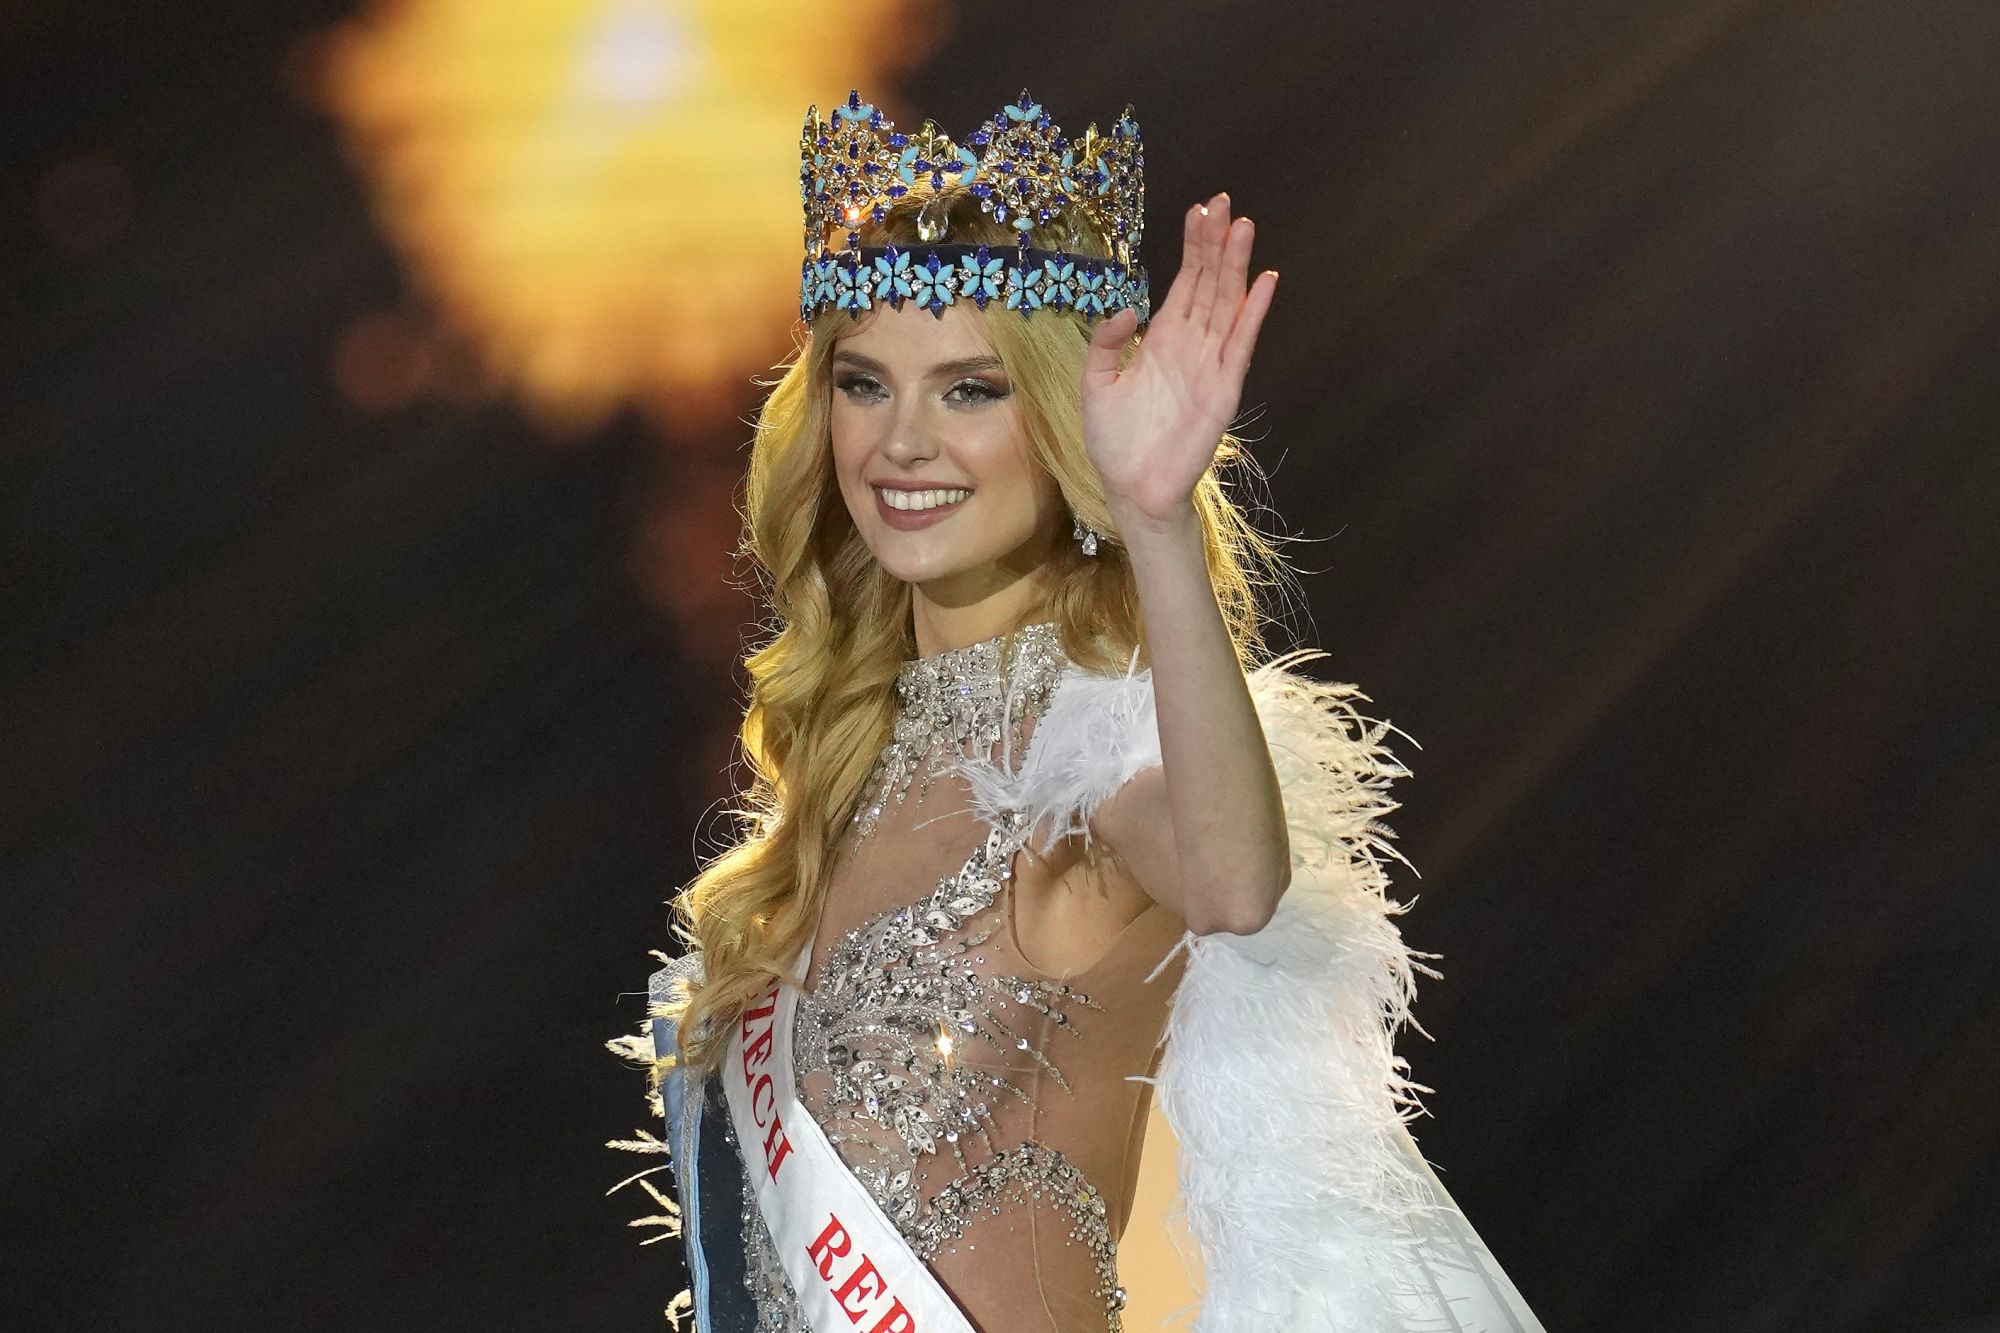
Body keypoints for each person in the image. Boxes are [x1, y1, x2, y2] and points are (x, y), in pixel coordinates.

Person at [610, 89, 1547, 1333]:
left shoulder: (1092, 755)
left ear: (1060, 426)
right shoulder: (841, 772)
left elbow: (1232, 883)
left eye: (969, 391)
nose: (901, 442)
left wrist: (1153, 516)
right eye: (864, 383)